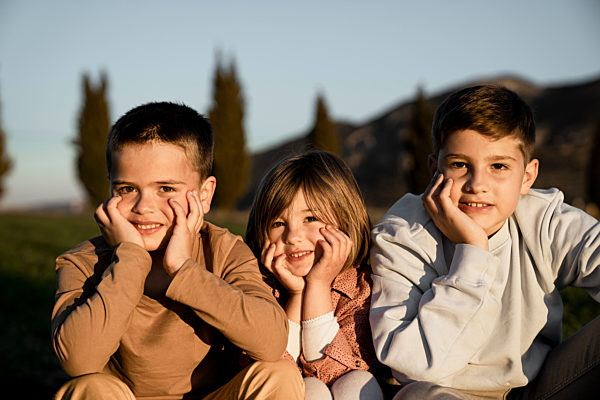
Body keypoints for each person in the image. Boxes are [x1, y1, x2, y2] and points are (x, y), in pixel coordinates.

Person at [51, 102, 304, 400]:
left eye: (166, 189)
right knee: (88, 389)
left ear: (204, 195)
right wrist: (130, 258)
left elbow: (271, 342)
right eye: (126, 189)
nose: (143, 207)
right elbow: (78, 360)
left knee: (278, 376)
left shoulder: (224, 251)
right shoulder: (83, 262)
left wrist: (184, 269)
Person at [369, 85, 600, 400]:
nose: (477, 185)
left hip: (540, 388)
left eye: (499, 166)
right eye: (460, 165)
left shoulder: (546, 221)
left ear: (527, 177)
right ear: (433, 169)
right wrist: (473, 251)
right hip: (445, 393)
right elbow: (414, 366)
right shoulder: (402, 235)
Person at [245, 151, 384, 400]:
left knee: (357, 382)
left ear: (344, 220)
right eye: (278, 224)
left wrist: (317, 285)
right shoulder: (256, 288)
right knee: (309, 390)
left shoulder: (361, 290)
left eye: (310, 218)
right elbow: (274, 371)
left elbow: (334, 371)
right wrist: (298, 295)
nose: (292, 237)